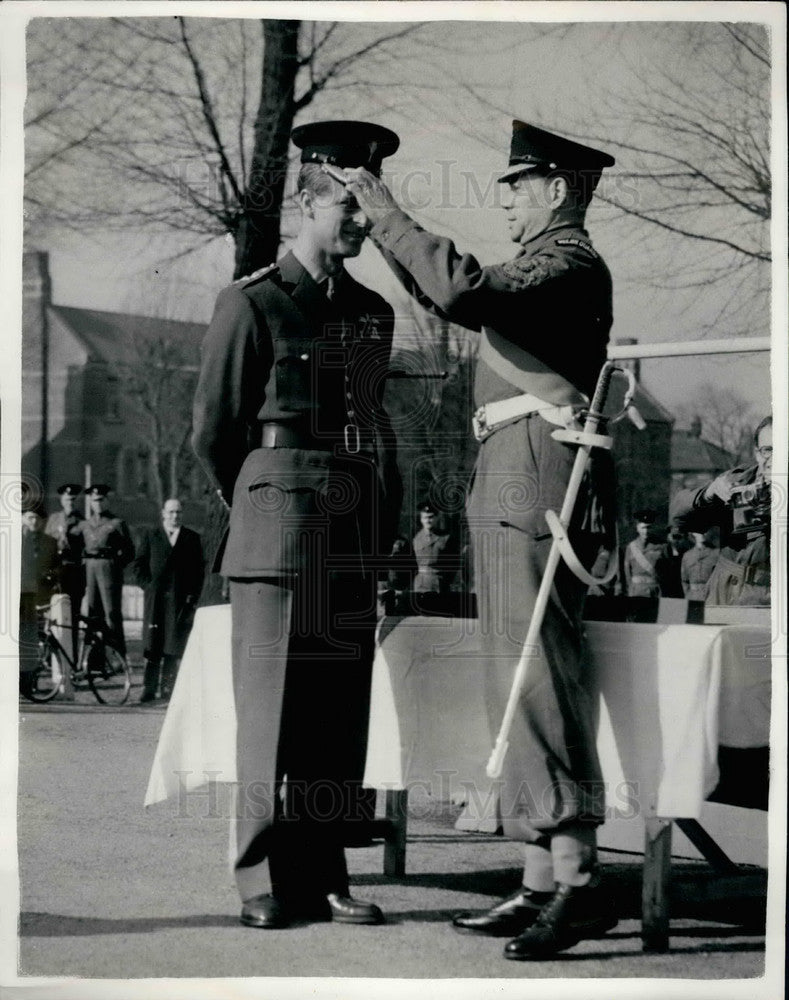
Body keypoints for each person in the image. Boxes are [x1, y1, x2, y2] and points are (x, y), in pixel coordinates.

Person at [347, 119, 618, 959]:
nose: (503, 195)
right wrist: (386, 221)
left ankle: (575, 880)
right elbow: (446, 292)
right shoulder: (549, 262)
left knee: (534, 671)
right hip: (514, 466)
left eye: (517, 182)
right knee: (514, 675)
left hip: (534, 471)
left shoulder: (566, 260)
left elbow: (462, 293)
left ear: (558, 191)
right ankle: (539, 879)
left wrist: (382, 207)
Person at [192, 120, 402, 930]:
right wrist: (256, 510)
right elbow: (213, 432)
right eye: (348, 207)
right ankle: (258, 880)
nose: (361, 222)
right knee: (270, 716)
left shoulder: (372, 313)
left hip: (350, 534)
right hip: (274, 535)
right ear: (306, 204)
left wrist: (379, 534)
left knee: (334, 714)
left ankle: (324, 873)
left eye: (366, 209)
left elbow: (375, 428)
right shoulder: (249, 303)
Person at [671, 415, 772, 606]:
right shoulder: (738, 483)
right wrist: (708, 493)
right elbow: (680, 519)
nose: (775, 459)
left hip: (771, 598)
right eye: (768, 450)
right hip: (725, 593)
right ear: (758, 453)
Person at [131, 498, 205, 703]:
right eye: (171, 512)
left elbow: (198, 571)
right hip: (155, 601)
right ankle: (148, 688)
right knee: (153, 646)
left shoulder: (191, 538)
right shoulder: (150, 535)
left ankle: (168, 689)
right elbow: (138, 565)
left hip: (178, 602)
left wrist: (192, 596)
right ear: (163, 513)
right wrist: (148, 586)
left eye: (179, 512)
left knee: (173, 645)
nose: (175, 516)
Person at [75, 485, 134, 655]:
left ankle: (117, 656)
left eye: (101, 500)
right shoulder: (85, 524)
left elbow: (129, 551)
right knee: (92, 613)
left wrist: (115, 565)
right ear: (90, 503)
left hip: (109, 568)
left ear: (107, 501)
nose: (98, 504)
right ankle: (95, 659)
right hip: (90, 568)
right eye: (94, 501)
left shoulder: (116, 523)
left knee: (111, 613)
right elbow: (76, 544)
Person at [19, 497, 60, 686]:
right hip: (21, 599)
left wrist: (49, 574)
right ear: (22, 519)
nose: (33, 522)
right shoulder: (15, 541)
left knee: (36, 643)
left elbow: (57, 568)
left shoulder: (50, 543)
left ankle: (31, 683)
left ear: (42, 521)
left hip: (42, 597)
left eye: (37, 518)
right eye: (29, 517)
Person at [44, 483, 85, 662]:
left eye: (73, 499)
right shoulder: (53, 520)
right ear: (61, 500)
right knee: (52, 615)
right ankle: (51, 658)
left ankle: (72, 658)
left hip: (74, 573)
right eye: (67, 499)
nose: (70, 502)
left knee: (72, 617)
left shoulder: (82, 522)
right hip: (55, 573)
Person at [411, 502, 455, 595]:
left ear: (436, 518)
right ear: (421, 520)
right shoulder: (416, 539)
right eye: (424, 518)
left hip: (440, 582)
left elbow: (453, 564)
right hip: (421, 584)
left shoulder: (445, 537)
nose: (428, 521)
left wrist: (447, 581)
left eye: (431, 517)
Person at [622, 510, 662, 598]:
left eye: (649, 527)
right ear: (637, 528)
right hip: (636, 591)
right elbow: (627, 571)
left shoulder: (661, 546)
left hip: (654, 590)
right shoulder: (631, 547)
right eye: (643, 528)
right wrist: (631, 588)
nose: (646, 531)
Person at [680, 530, 720, 601]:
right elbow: (684, 580)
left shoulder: (716, 554)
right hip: (692, 596)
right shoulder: (687, 555)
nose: (703, 535)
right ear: (692, 534)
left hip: (710, 596)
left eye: (704, 532)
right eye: (699, 532)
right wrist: (688, 594)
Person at [654, 524, 690, 599]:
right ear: (668, 537)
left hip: (683, 595)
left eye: (679, 537)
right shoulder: (662, 556)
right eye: (674, 537)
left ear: (684, 538)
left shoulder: (688, 555)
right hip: (667, 595)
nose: (676, 541)